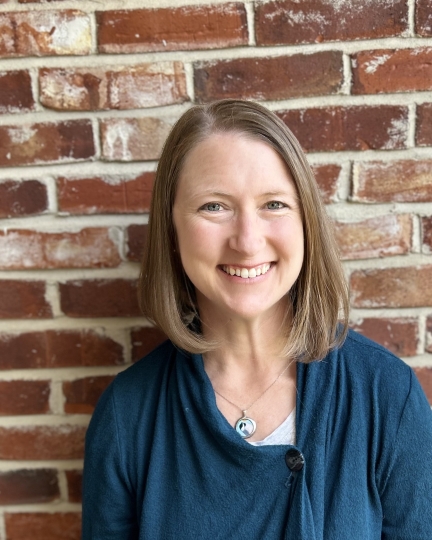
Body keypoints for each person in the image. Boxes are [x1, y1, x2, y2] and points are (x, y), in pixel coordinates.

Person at [82, 99, 432, 539]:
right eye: (214, 206)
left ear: (306, 220)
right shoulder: (127, 416)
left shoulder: (386, 396)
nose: (247, 242)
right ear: (171, 229)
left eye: (274, 204)